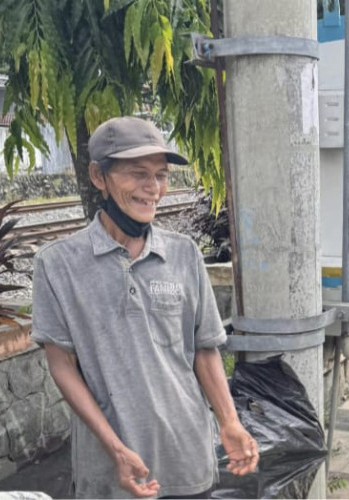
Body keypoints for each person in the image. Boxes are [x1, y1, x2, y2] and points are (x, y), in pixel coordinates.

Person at [30, 116, 259, 498]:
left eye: (160, 175)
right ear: (99, 177)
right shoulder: (58, 264)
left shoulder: (183, 254)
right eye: (138, 173)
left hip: (187, 459)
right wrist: (116, 450)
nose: (153, 188)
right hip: (109, 471)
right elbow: (62, 365)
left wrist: (229, 421)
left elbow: (204, 350)